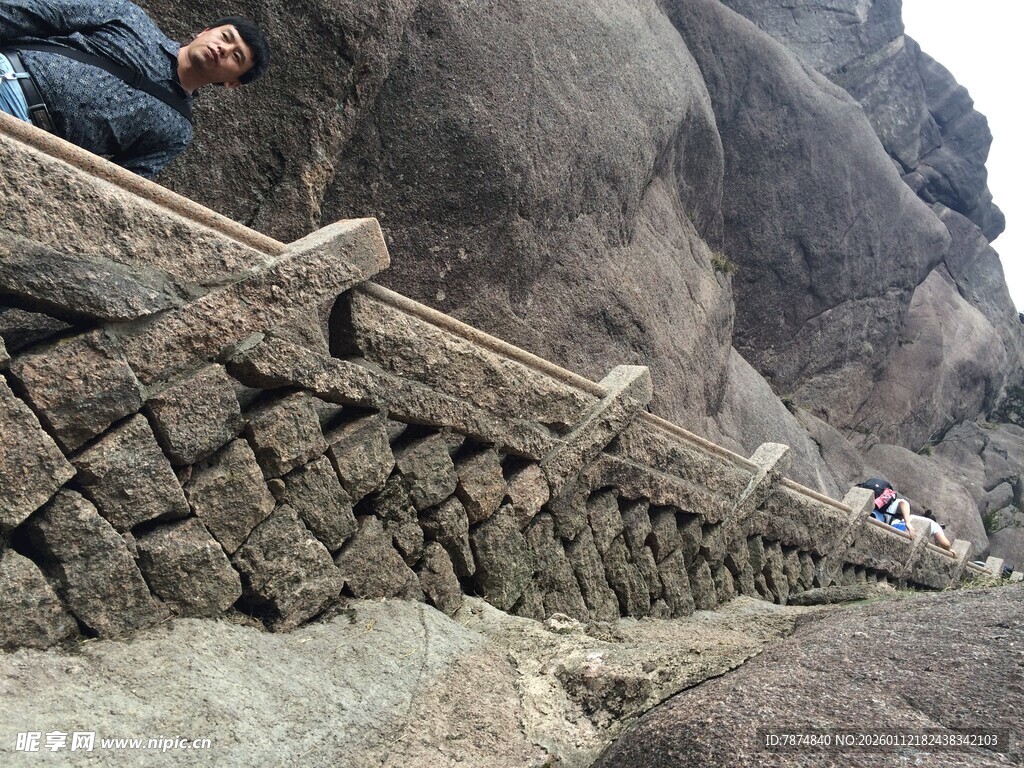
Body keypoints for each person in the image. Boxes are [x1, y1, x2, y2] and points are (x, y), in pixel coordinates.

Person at [0, 1, 269, 178]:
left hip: (29, 145)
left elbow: (120, 184)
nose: (223, 49)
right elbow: (36, 12)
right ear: (205, 31)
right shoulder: (130, 18)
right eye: (225, 37)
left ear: (232, 83)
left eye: (236, 57)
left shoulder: (177, 131)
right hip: (8, 75)